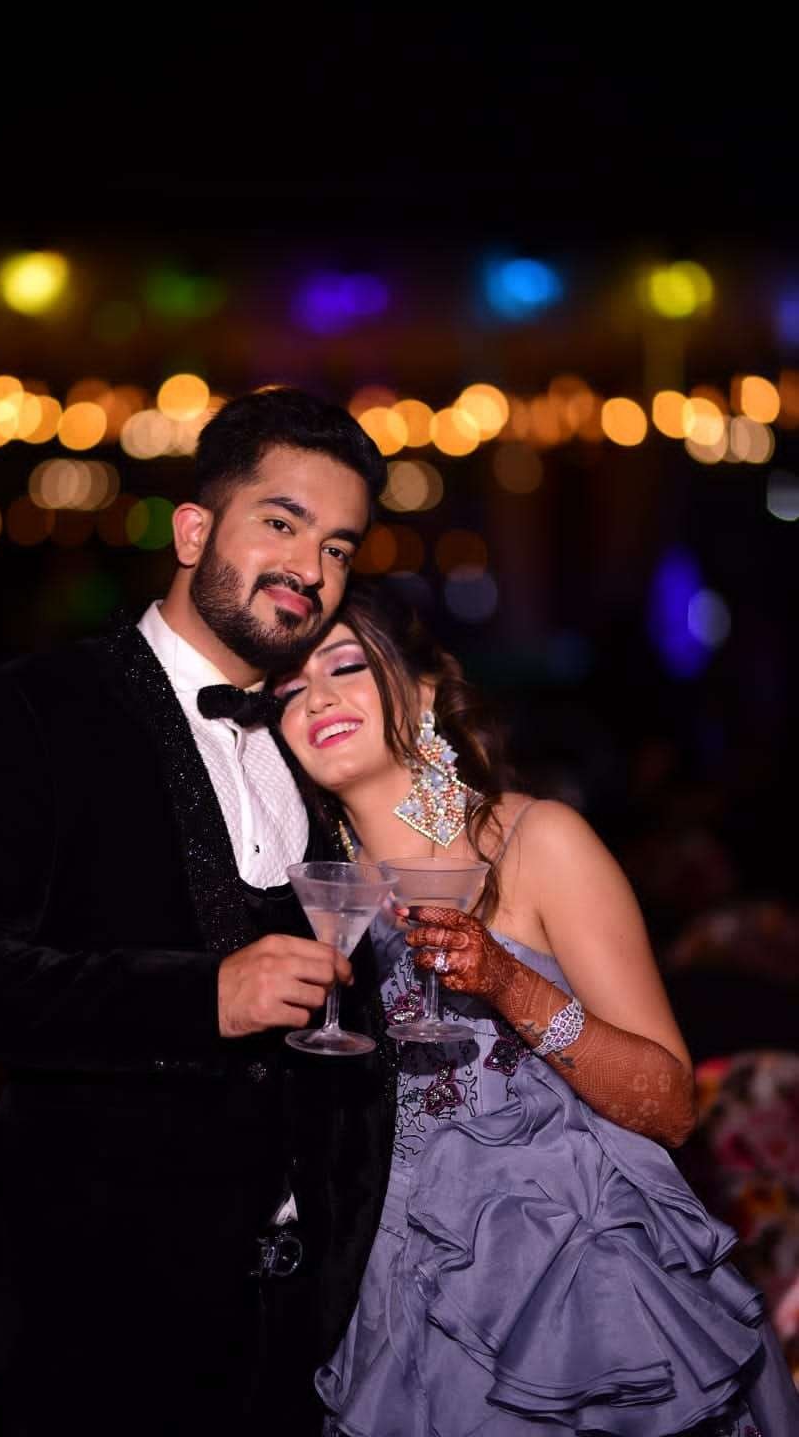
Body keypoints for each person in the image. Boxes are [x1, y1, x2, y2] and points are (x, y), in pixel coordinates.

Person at [0, 389, 395, 1436]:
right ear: (194, 529)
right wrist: (200, 997)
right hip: (86, 1314)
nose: (309, 567)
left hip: (294, 1328)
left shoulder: (317, 742)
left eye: (338, 547)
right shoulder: (35, 708)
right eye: (282, 522)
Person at [272, 582, 799, 1437]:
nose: (317, 698)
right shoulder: (302, 901)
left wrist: (509, 983)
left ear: (425, 694)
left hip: (577, 1292)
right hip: (383, 1297)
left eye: (344, 666)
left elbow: (669, 1105)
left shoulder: (535, 843)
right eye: (289, 689)